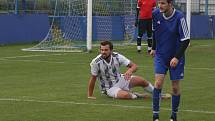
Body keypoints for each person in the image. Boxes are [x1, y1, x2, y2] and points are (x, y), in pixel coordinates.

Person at [150, 0, 190, 121]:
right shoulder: (155, 14)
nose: (160, 6)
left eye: (163, 3)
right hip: (161, 55)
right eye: (159, 3)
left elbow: (186, 40)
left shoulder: (180, 17)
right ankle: (155, 116)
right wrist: (153, 48)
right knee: (158, 83)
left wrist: (177, 57)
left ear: (170, 4)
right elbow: (155, 31)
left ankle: (174, 115)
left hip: (176, 57)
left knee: (175, 88)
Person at [87, 41, 154, 99]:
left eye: (106, 50)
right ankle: (137, 95)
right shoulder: (95, 62)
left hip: (120, 79)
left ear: (111, 50)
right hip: (109, 88)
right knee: (126, 95)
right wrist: (90, 95)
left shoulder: (117, 56)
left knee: (142, 81)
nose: (103, 52)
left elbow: (134, 66)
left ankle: (157, 94)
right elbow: (93, 78)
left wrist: (130, 70)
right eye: (102, 50)